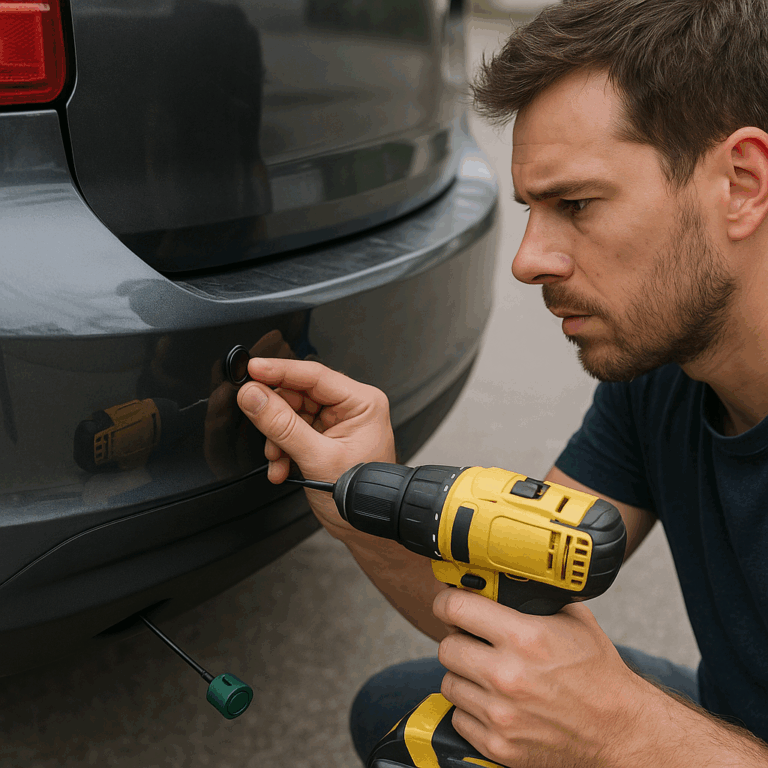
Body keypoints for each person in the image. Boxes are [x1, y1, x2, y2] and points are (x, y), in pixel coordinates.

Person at [236, 0, 768, 764]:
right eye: (531, 209)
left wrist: (628, 731)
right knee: (416, 710)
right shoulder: (664, 369)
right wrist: (358, 494)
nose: (527, 260)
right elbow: (517, 591)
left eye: (575, 204)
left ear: (742, 183)